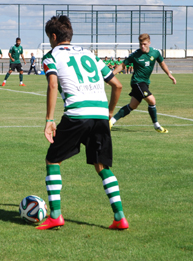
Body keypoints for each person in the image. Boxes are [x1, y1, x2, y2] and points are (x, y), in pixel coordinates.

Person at [37, 15, 127, 230]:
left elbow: (52, 86)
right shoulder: (90, 54)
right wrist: (110, 113)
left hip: (77, 113)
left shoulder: (51, 56)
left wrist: (49, 120)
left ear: (54, 36)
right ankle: (120, 218)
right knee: (101, 165)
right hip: (99, 115)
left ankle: (56, 215)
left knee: (53, 160)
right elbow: (117, 85)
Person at [110, 33, 176, 133]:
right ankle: (156, 125)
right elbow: (123, 65)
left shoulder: (155, 53)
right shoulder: (135, 55)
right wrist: (111, 75)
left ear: (149, 43)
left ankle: (111, 122)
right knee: (152, 101)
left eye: (144, 44)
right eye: (141, 44)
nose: (142, 46)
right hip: (137, 82)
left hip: (145, 83)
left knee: (132, 106)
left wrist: (169, 74)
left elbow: (162, 63)